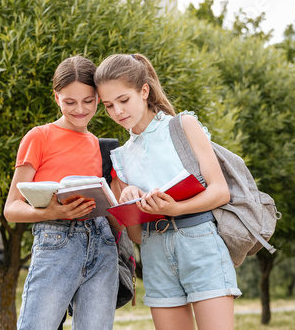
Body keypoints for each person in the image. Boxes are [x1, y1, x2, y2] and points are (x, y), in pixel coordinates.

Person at [94, 53, 242, 330]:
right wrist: (132, 200)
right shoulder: (121, 157)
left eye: (123, 100)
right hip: (154, 252)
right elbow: (136, 236)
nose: (117, 112)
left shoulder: (183, 125)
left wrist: (176, 208)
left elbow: (220, 192)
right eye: (108, 105)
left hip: (200, 242)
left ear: (144, 91)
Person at [3, 56, 119, 330]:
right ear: (56, 98)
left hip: (103, 246)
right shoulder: (39, 137)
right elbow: (11, 208)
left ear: (99, 98)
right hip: (56, 241)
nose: (79, 109)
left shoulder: (102, 147)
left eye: (88, 101)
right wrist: (54, 211)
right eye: (69, 102)